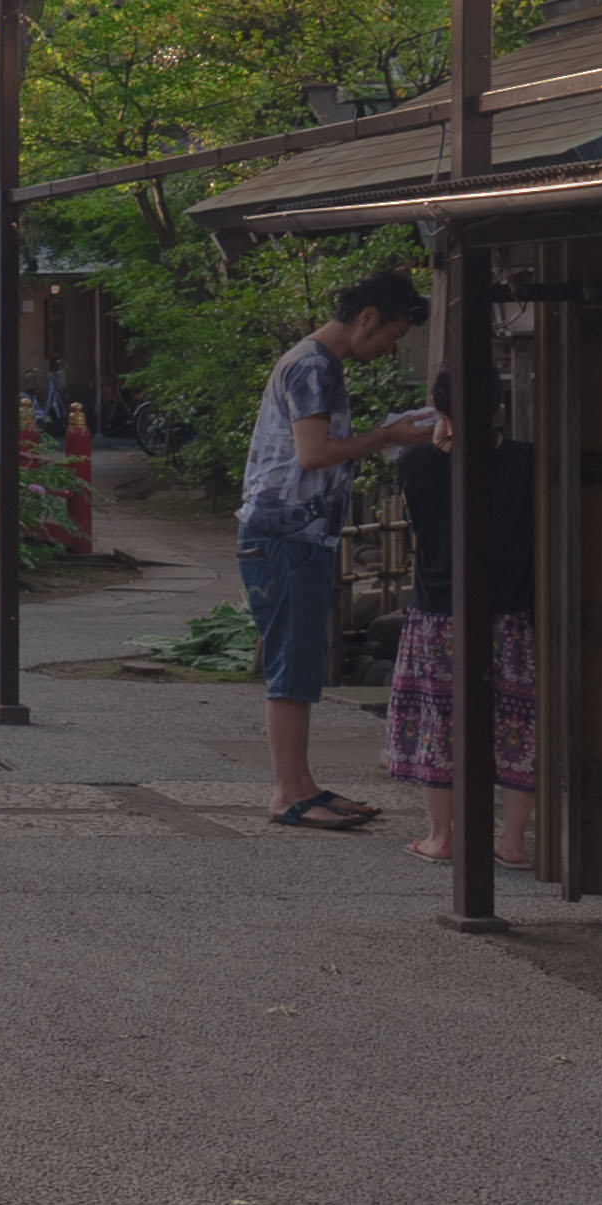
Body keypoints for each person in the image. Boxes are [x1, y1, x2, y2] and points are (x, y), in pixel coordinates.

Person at [239, 270, 428, 831]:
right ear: (366, 317)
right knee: (291, 664)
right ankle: (288, 793)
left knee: (298, 660)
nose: (392, 346)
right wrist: (389, 436)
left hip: (293, 534)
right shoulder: (313, 365)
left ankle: (300, 785)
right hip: (284, 535)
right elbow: (315, 453)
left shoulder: (316, 364)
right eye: (391, 334)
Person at [386, 381, 541, 867]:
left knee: (439, 720)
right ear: (499, 406)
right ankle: (512, 841)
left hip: (439, 613)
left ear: (436, 406)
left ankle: (441, 837)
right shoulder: (527, 461)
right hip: (512, 612)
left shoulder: (415, 464)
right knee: (517, 721)